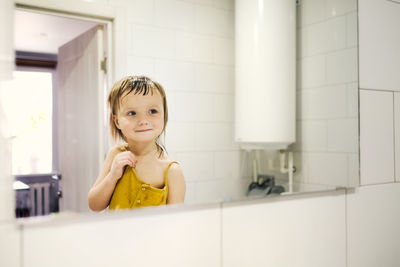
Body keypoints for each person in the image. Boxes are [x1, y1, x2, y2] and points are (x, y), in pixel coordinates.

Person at [88, 75, 186, 211]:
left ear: (164, 115)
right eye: (132, 113)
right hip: (114, 233)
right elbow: (94, 205)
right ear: (117, 122)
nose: (143, 120)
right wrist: (112, 176)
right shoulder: (116, 155)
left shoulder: (171, 171)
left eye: (152, 111)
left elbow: (175, 222)